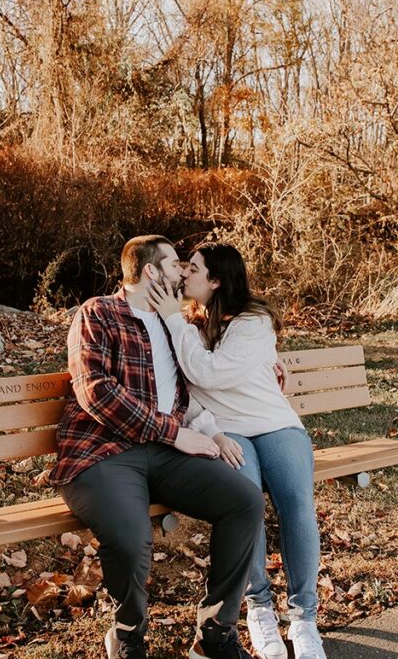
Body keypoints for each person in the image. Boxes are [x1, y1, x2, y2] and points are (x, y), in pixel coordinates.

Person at [49, 235, 265, 659]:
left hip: (165, 454)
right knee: (132, 540)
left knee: (244, 500)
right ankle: (128, 634)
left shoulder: (172, 322)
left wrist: (210, 429)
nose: (183, 273)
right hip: (102, 454)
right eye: (174, 265)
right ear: (151, 271)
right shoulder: (98, 313)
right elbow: (97, 393)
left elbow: (188, 387)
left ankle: (215, 636)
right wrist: (174, 434)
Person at [147, 242, 326, 659]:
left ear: (215, 280)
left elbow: (209, 371)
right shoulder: (187, 318)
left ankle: (304, 618)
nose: (184, 275)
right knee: (244, 503)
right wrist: (177, 322)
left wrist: (178, 326)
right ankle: (259, 608)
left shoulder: (253, 320)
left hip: (274, 423)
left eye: (192, 269)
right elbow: (188, 379)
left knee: (297, 503)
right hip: (228, 431)